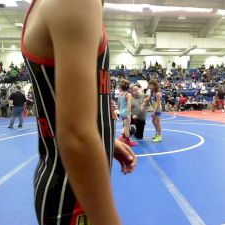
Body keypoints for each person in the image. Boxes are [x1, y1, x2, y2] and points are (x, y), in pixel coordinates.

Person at [21, 0, 137, 224]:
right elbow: (76, 135)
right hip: (71, 195)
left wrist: (105, 140)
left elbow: (61, 101)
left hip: (67, 187)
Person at [117, 80, 137, 146]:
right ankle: (127, 141)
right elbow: (129, 105)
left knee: (125, 126)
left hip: (121, 112)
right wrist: (128, 114)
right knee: (127, 127)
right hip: (126, 112)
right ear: (128, 86)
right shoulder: (128, 94)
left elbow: (118, 104)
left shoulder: (120, 94)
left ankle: (121, 137)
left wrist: (119, 112)